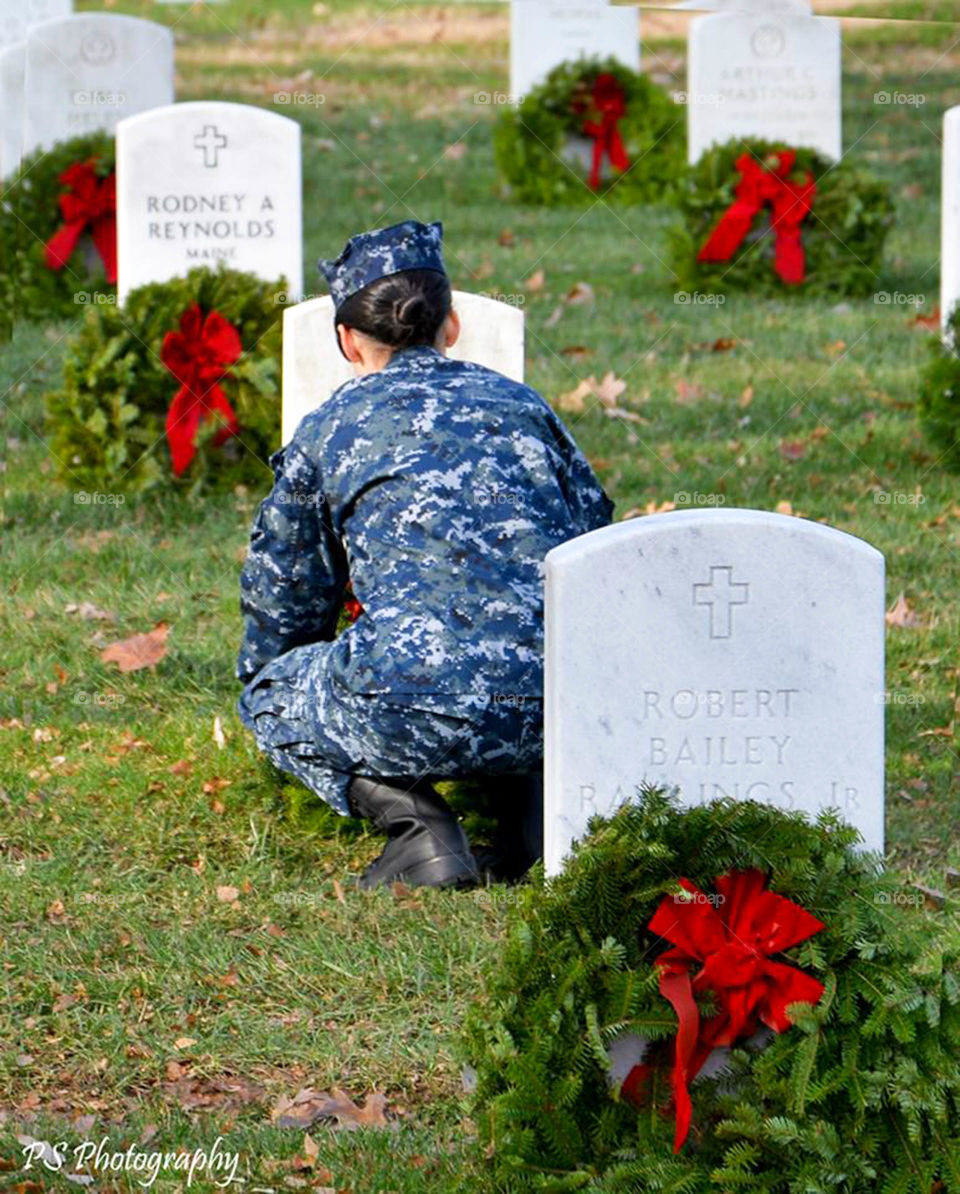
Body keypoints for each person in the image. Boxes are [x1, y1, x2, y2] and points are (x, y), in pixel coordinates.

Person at [237, 220, 613, 890]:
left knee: (270, 692)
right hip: (561, 705)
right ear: (453, 325)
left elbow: (285, 594)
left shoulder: (330, 429)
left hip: (408, 706)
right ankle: (532, 815)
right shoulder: (524, 407)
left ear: (348, 340)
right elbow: (594, 539)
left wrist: (285, 680)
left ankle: (420, 833)